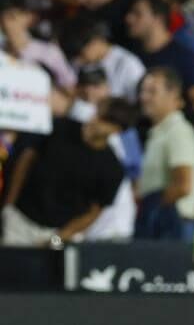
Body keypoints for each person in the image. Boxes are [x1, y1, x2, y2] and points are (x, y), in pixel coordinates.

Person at [2, 98, 133, 247]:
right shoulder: (59, 126)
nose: (95, 121)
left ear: (117, 130)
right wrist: (9, 205)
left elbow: (93, 213)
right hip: (19, 219)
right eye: (97, 113)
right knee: (8, 261)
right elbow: (26, 160)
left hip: (55, 234)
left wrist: (55, 240)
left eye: (104, 120)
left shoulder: (112, 169)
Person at [135, 67, 194, 241]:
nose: (144, 97)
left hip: (174, 227)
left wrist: (151, 206)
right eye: (143, 91)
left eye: (152, 92)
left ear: (173, 95)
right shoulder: (159, 132)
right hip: (161, 223)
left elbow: (183, 186)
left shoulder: (178, 132)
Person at [126, 0, 194, 119]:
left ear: (158, 18)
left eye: (138, 14)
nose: (129, 19)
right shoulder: (131, 55)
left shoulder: (183, 56)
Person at [58, 15, 145, 101]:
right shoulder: (79, 63)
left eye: (80, 54)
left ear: (95, 41)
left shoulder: (129, 65)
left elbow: (139, 102)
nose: (78, 61)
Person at [0, 0, 75, 90]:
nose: (6, 22)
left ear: (28, 17)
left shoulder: (48, 52)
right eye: (2, 18)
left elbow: (69, 87)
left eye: (12, 17)